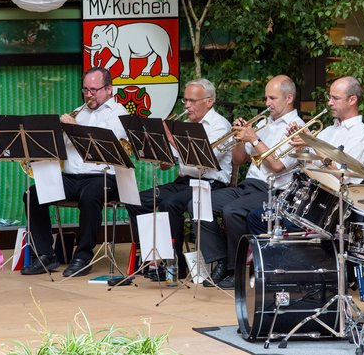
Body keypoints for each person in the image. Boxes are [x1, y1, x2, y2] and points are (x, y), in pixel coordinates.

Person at [195, 75, 305, 290]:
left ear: (289, 98)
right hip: (249, 185)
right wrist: (239, 138)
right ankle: (222, 259)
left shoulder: (296, 128)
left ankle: (236, 271)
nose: (267, 103)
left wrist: (254, 139)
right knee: (199, 200)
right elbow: (238, 160)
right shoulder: (263, 122)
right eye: (266, 98)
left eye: (272, 98)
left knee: (231, 211)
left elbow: (278, 166)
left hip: (274, 190)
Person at [20, 67, 129, 277]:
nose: (89, 95)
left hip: (105, 177)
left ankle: (83, 256)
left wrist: (74, 127)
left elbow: (102, 146)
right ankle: (45, 255)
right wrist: (57, 132)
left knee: (90, 196)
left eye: (94, 90)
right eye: (86, 89)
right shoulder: (78, 111)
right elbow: (59, 149)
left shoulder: (119, 114)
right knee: (32, 195)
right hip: (72, 177)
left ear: (109, 89)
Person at [124, 78, 232, 280]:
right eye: (185, 101)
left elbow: (203, 160)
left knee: (170, 204)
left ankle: (175, 262)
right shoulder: (184, 125)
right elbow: (168, 164)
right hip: (183, 182)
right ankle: (152, 255)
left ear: (209, 101)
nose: (187, 106)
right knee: (136, 201)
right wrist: (158, 147)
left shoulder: (220, 125)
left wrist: (171, 137)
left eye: (192, 101)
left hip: (209, 184)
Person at [246, 75, 364, 236]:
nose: (329, 103)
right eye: (330, 97)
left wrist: (313, 144)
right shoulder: (329, 130)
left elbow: (344, 177)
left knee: (274, 223)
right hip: (307, 198)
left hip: (328, 207)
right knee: (257, 218)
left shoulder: (360, 134)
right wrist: (300, 146)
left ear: (352, 100)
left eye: (335, 98)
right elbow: (307, 164)